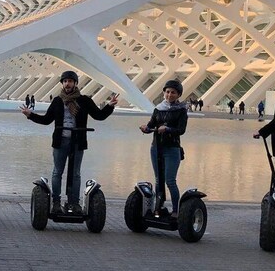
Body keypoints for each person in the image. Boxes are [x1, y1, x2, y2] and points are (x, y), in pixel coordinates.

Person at [21, 70, 118, 213]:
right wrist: (30, 115)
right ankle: (56, 202)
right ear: (62, 83)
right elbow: (46, 120)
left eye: (70, 81)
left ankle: (74, 203)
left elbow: (99, 116)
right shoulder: (57, 101)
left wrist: (110, 106)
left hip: (78, 141)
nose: (67, 84)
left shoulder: (84, 100)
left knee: (76, 173)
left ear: (75, 83)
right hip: (61, 142)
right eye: (65, 81)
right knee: (57, 172)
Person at [139, 80, 188, 216]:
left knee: (170, 180)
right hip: (156, 148)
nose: (169, 95)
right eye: (167, 92)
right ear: (163, 93)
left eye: (173, 92)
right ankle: (158, 208)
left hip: (172, 149)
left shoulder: (181, 111)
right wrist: (145, 128)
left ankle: (176, 210)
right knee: (158, 179)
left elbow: (181, 130)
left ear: (178, 95)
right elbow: (151, 125)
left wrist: (167, 129)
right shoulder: (158, 109)